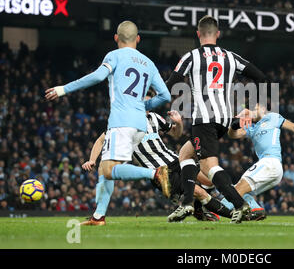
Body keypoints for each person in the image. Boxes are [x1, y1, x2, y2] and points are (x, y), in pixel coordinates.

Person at [45, 21, 171, 225]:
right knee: (107, 165)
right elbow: (165, 96)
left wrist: (64, 89)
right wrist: (144, 105)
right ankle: (98, 216)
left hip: (121, 122)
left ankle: (155, 173)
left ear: (116, 38)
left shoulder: (114, 55)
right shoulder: (149, 63)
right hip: (140, 124)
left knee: (106, 169)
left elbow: (97, 76)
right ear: (138, 39)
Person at [164, 15, 268, 223]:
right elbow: (261, 77)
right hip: (223, 118)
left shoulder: (191, 56)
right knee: (185, 155)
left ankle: (240, 205)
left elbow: (171, 83)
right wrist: (252, 108)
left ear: (198, 34)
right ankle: (186, 204)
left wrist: (151, 99)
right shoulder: (231, 56)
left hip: (204, 118)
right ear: (218, 34)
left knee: (210, 167)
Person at [80, 110, 233, 225]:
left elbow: (176, 134)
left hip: (176, 160)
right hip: (160, 171)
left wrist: (178, 123)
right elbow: (101, 140)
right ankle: (234, 215)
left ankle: (200, 208)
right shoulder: (123, 122)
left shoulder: (153, 117)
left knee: (209, 181)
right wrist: (92, 159)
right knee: (198, 191)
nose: (147, 104)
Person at [226, 104, 294, 219]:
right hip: (269, 167)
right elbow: (234, 135)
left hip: (270, 162)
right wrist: (233, 127)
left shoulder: (273, 117)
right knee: (243, 191)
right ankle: (256, 210)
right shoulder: (252, 126)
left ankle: (217, 212)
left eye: (256, 108)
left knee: (237, 190)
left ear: (263, 110)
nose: (253, 111)